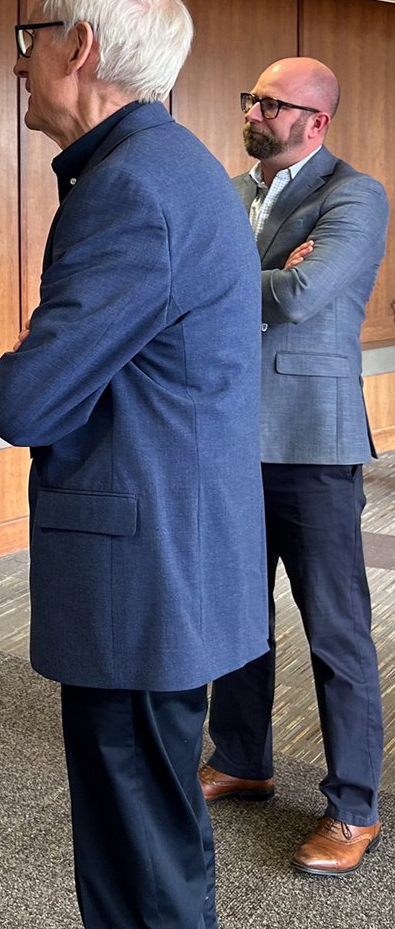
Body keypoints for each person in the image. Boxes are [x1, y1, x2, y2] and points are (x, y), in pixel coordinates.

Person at [0, 0, 268, 929]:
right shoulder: (173, 167)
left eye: (33, 42)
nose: (22, 66)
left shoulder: (131, 189)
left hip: (143, 574)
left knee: (137, 860)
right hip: (174, 551)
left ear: (81, 48)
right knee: (154, 835)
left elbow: (26, 400)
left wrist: (13, 366)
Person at [201, 58, 388, 876]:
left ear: (315, 121)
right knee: (236, 618)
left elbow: (303, 297)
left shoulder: (355, 194)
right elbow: (242, 287)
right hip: (230, 438)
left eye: (273, 103)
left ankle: (354, 805)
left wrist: (230, 276)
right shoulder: (233, 194)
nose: (255, 110)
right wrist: (257, 274)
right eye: (252, 97)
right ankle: (243, 758)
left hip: (313, 444)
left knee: (337, 631)